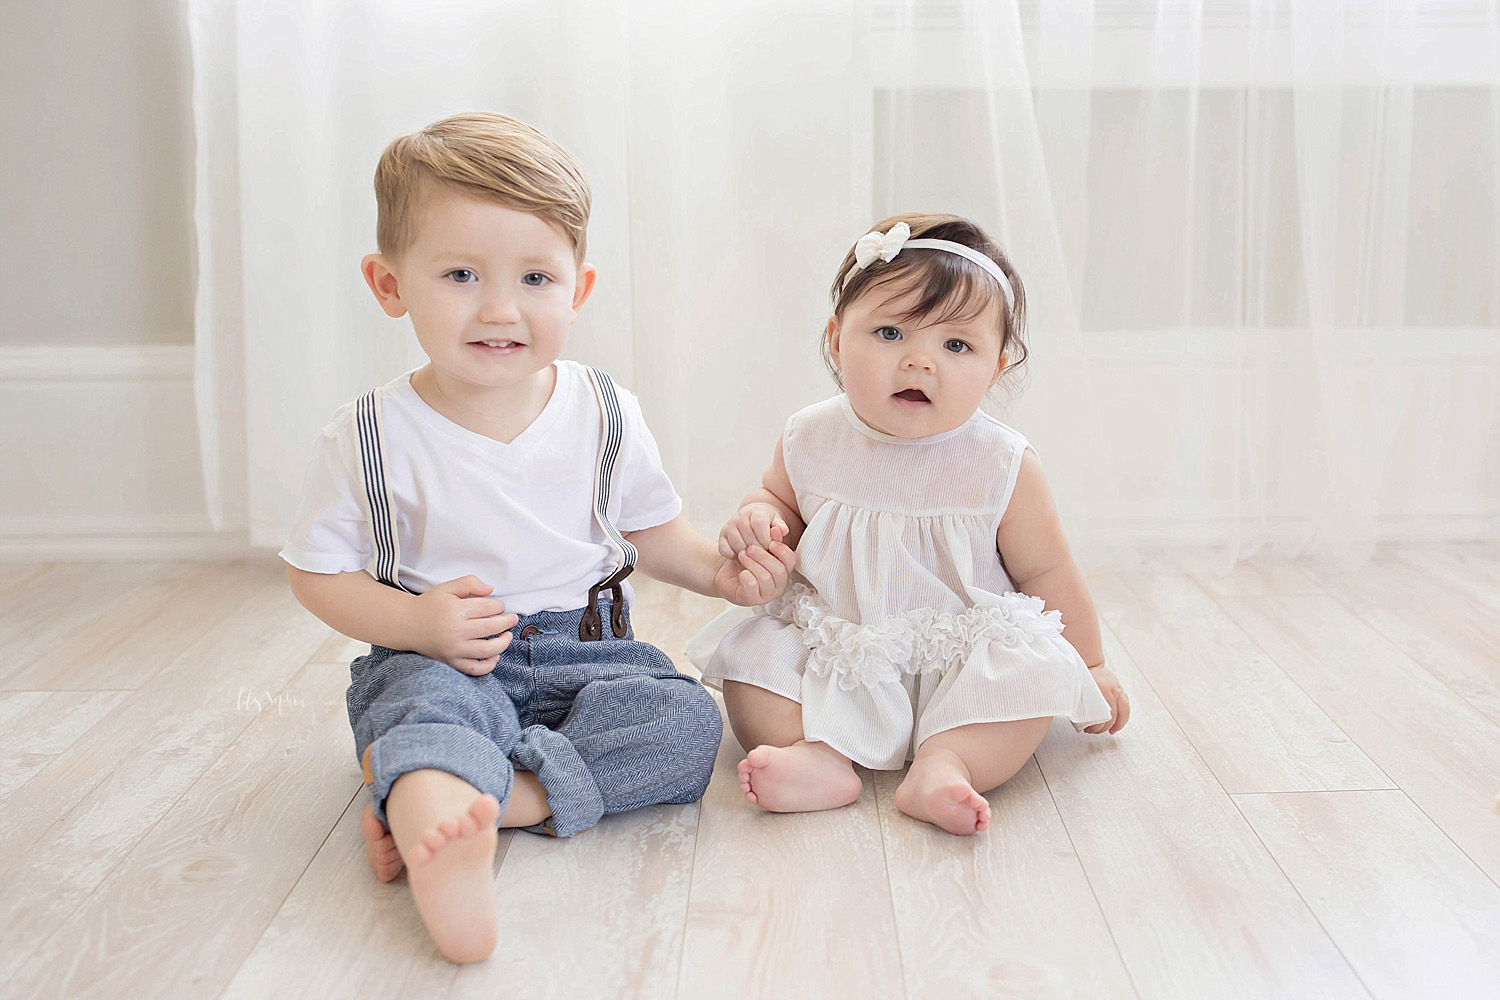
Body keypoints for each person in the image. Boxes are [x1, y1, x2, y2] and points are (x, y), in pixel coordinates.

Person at [280, 112, 793, 963]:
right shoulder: (368, 432)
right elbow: (315, 575)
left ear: (578, 290)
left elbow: (648, 529)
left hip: (588, 652)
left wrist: (720, 573)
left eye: (534, 278)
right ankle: (443, 826)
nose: (499, 307)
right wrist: (415, 627)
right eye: (459, 274)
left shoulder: (602, 408)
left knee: (684, 722)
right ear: (388, 283)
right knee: (426, 710)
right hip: (443, 655)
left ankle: (481, 801)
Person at [694, 212, 1130, 837]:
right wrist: (760, 521)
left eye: (956, 346)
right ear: (837, 337)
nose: (920, 362)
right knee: (753, 656)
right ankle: (820, 756)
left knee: (1030, 673)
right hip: (840, 640)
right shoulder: (813, 436)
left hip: (961, 649)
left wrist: (1089, 666)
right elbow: (779, 501)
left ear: (997, 367)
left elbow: (1047, 570)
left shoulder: (1001, 462)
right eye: (891, 332)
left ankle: (947, 762)